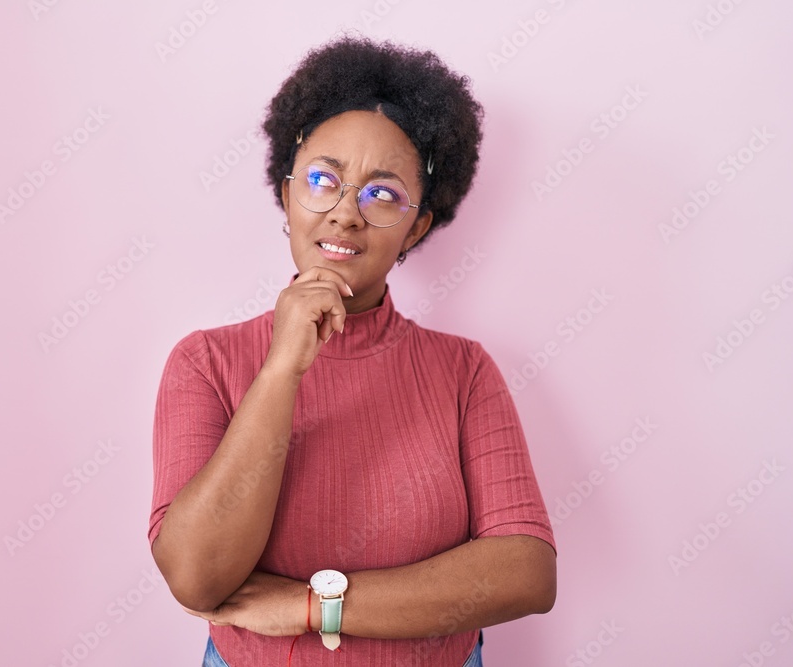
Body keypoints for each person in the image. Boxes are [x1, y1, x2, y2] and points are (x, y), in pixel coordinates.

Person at [148, 34, 557, 667]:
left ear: (416, 227)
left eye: (383, 194)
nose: (345, 214)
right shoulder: (206, 362)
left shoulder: (462, 370)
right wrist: (283, 366)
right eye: (322, 180)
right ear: (286, 196)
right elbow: (197, 577)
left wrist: (313, 608)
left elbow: (525, 571)